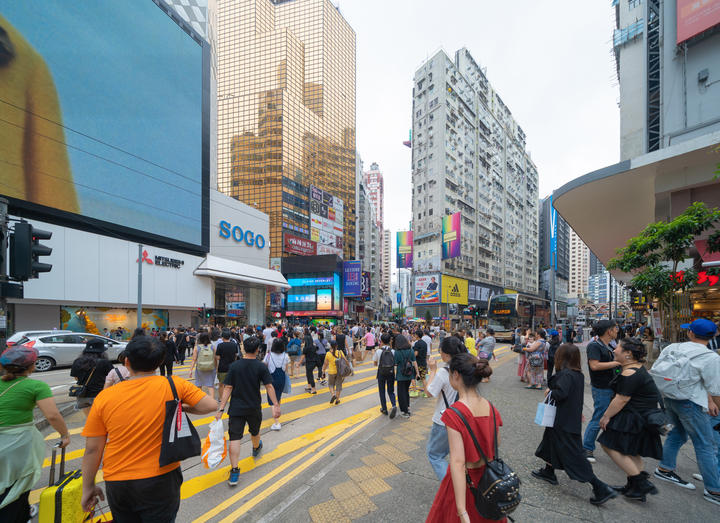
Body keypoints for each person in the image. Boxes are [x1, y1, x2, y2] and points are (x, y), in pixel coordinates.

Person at [80, 336, 217, 521]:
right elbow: (210, 405)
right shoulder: (174, 384)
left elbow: (92, 449)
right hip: (162, 477)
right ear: (160, 361)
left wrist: (88, 486)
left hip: (118, 480)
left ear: (126, 361)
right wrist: (183, 407)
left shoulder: (105, 397)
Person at [531, 344, 618, 506]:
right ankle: (549, 471)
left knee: (574, 456)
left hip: (562, 422)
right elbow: (574, 397)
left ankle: (600, 487)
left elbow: (560, 394)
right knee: (550, 442)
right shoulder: (578, 375)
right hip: (567, 420)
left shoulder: (565, 375)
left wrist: (550, 392)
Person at [652, 319, 720, 505]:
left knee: (677, 434)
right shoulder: (710, 357)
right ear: (714, 335)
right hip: (691, 402)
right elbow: (715, 390)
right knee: (706, 445)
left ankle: (665, 469)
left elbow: (657, 369)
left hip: (670, 398)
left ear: (690, 333)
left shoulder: (673, 347)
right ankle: (714, 490)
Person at [426, 354, 501, 522]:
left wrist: (462, 510)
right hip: (488, 482)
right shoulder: (490, 407)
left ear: (456, 375)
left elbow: (458, 463)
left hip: (466, 484)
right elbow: (496, 445)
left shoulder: (454, 413)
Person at [0, 345, 71, 522]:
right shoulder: (36, 386)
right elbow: (53, 415)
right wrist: (64, 435)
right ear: (31, 366)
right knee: (18, 483)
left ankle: (22, 511)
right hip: (18, 443)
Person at [597, 338, 662, 501]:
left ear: (628, 354)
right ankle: (635, 487)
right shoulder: (634, 368)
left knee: (608, 445)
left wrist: (606, 416)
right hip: (640, 416)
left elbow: (622, 399)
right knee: (631, 451)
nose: (614, 349)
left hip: (635, 417)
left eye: (618, 347)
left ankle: (640, 483)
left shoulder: (630, 372)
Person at [217, 337, 281, 487]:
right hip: (253, 407)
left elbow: (227, 388)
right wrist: (276, 405)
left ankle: (234, 471)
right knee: (254, 431)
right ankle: (256, 447)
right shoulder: (261, 366)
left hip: (236, 408)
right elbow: (269, 387)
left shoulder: (234, 366)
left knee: (235, 438)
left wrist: (221, 409)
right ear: (258, 349)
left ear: (243, 349)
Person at [424, 335, 465, 480]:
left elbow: (429, 392)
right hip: (464, 418)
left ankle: (452, 486)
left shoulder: (444, 372)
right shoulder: (466, 367)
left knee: (434, 455)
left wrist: (432, 370)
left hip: (445, 420)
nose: (439, 353)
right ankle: (461, 483)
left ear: (447, 354)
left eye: (440, 351)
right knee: (457, 455)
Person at [582, 320, 621, 463]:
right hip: (601, 387)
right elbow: (595, 366)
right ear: (608, 331)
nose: (617, 330)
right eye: (615, 328)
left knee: (609, 417)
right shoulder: (594, 346)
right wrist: (617, 363)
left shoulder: (608, 345)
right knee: (599, 417)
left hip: (610, 386)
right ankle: (587, 448)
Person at [70, 338, 115, 416]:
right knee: (102, 420)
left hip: (83, 395)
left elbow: (76, 378)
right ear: (102, 351)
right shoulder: (104, 362)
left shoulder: (77, 361)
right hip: (100, 394)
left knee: (90, 420)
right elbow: (112, 378)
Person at [263, 338, 289, 430]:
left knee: (272, 399)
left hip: (271, 378)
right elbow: (286, 368)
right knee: (278, 397)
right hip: (281, 378)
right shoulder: (285, 355)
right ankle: (278, 411)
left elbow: (264, 365)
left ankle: (277, 422)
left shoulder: (269, 355)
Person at [394, 334, 418, 418]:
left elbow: (395, 363)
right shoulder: (411, 350)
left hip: (401, 375)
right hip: (409, 374)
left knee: (401, 393)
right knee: (406, 391)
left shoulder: (397, 352)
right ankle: (408, 407)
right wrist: (417, 373)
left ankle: (404, 411)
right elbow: (414, 362)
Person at [374, 333, 397, 418]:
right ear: (389, 341)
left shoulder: (378, 351)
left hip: (381, 372)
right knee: (391, 391)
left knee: (382, 391)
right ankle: (394, 405)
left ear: (382, 341)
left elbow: (375, 363)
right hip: (391, 372)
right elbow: (395, 363)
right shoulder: (393, 351)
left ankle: (384, 409)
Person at [189, 332, 217, 400]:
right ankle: (212, 401)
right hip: (211, 368)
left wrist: (190, 370)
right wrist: (216, 368)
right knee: (210, 385)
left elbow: (194, 360)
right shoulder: (213, 347)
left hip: (200, 369)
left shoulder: (197, 347)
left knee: (199, 384)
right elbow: (215, 358)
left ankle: (200, 400)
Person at [215, 329, 239, 401]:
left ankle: (221, 398)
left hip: (222, 367)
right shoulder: (234, 345)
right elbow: (236, 356)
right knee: (232, 384)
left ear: (222, 337)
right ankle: (232, 397)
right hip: (232, 367)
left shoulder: (220, 345)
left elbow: (218, 357)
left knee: (221, 384)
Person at [322, 340, 348, 405]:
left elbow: (325, 363)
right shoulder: (340, 352)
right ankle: (337, 399)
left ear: (330, 346)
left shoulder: (328, 354)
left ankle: (333, 394)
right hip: (339, 372)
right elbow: (345, 360)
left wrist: (323, 371)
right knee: (338, 386)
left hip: (331, 372)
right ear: (337, 346)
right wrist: (348, 367)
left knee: (331, 385)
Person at [298, 329, 319, 394]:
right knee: (308, 374)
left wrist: (299, 363)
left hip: (309, 362)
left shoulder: (306, 348)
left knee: (310, 375)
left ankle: (313, 389)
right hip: (314, 362)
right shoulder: (314, 347)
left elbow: (303, 356)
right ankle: (309, 386)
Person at [410, 330, 428, 398]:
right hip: (423, 363)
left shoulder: (417, 344)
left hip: (418, 363)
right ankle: (426, 393)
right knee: (423, 379)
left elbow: (416, 354)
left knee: (413, 377)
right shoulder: (424, 343)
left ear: (417, 335)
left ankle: (415, 392)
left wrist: (412, 357)